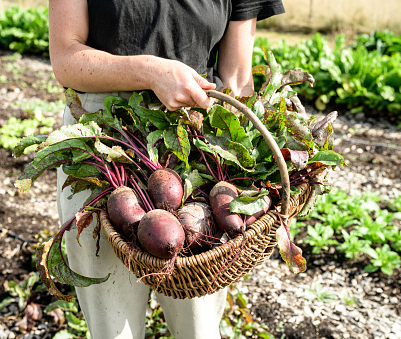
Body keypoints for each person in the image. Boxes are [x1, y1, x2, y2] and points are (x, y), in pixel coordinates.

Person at [49, 1, 285, 338]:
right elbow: (65, 59)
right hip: (102, 138)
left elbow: (236, 78)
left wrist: (248, 170)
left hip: (192, 144)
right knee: (112, 328)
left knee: (199, 326)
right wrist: (150, 71)